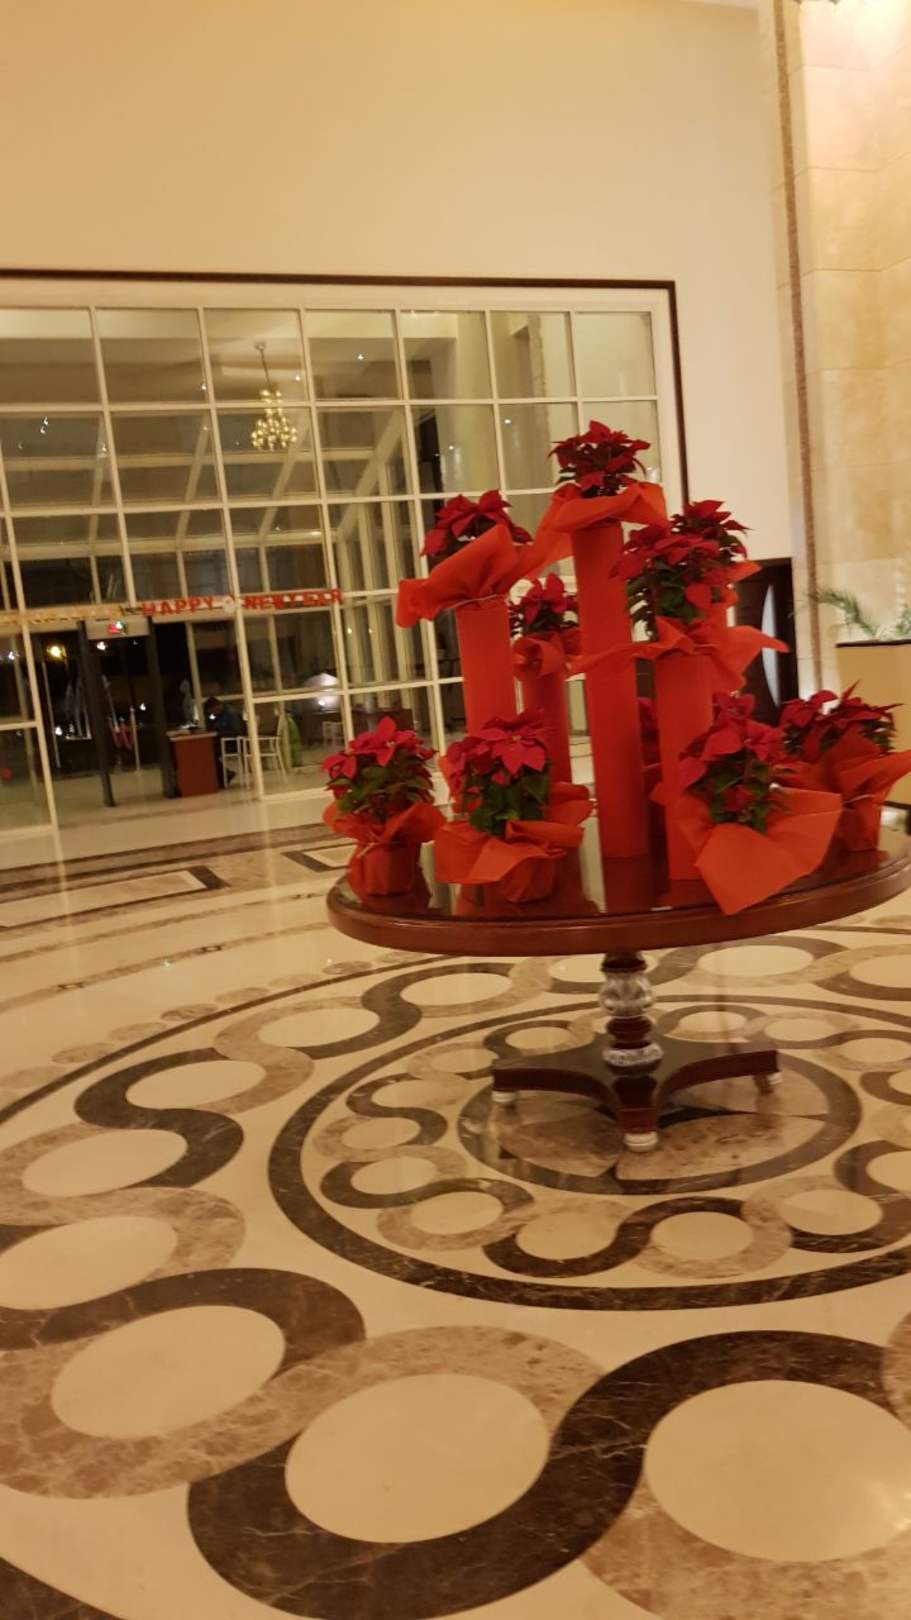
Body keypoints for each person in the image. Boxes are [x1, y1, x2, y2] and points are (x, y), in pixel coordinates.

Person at [207, 696, 246, 786]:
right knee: (207, 751)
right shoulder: (216, 714)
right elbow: (211, 724)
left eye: (212, 711)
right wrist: (211, 718)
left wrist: (218, 734)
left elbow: (236, 731)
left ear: (216, 706)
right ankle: (225, 774)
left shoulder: (231, 714)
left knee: (209, 752)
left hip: (233, 742)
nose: (212, 714)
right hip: (223, 741)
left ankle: (224, 775)